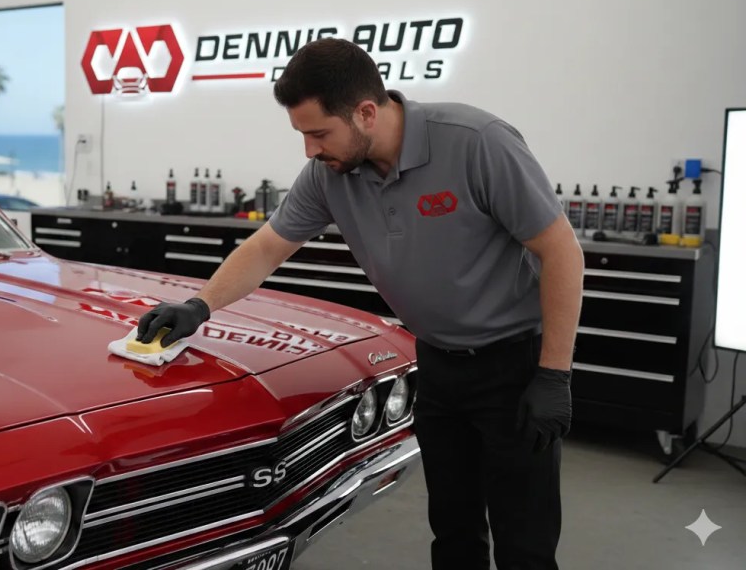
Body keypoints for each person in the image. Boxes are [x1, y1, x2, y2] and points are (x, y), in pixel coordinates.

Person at [136, 37, 584, 570]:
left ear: (366, 112)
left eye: (319, 133)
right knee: (454, 530)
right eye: (302, 134)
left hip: (515, 367)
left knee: (525, 542)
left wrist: (553, 374)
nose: (309, 150)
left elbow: (560, 250)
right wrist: (200, 306)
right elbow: (267, 247)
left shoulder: (477, 141)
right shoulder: (330, 175)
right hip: (438, 366)